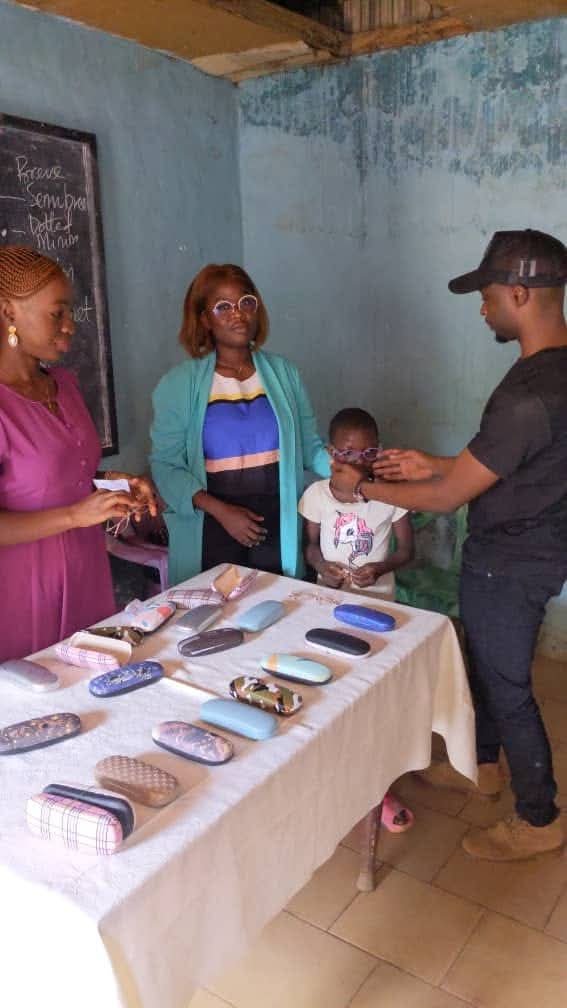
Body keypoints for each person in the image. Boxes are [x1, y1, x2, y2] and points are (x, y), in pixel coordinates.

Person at [330, 229, 567, 861]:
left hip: (510, 563)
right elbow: (508, 465)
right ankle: (483, 767)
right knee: (487, 669)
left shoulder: (529, 394)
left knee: (507, 687)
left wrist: (362, 487)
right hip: (532, 548)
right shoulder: (553, 373)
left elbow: (448, 498)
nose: (483, 309)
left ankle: (539, 817)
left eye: (488, 295)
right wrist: (433, 463)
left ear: (521, 293)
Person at [0, 245, 157, 661]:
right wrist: (75, 515)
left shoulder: (64, 386)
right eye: (57, 313)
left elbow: (60, 477)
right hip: (22, 591)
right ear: (8, 311)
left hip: (86, 572)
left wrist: (114, 485)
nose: (70, 325)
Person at [150, 263, 329, 585]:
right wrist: (222, 512)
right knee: (216, 609)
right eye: (223, 307)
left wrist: (355, 471)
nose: (238, 314)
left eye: (246, 302)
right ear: (204, 319)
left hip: (276, 522)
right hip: (211, 525)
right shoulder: (179, 384)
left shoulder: (284, 373)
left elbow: (310, 448)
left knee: (278, 604)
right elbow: (166, 466)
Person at [298, 406, 415, 832]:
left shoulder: (390, 496)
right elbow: (310, 548)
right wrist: (321, 566)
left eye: (369, 453)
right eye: (348, 453)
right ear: (331, 453)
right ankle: (335, 772)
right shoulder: (317, 495)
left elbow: (407, 552)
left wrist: (380, 568)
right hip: (328, 605)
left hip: (380, 609)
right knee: (331, 691)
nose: (359, 461)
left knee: (372, 695)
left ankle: (378, 785)